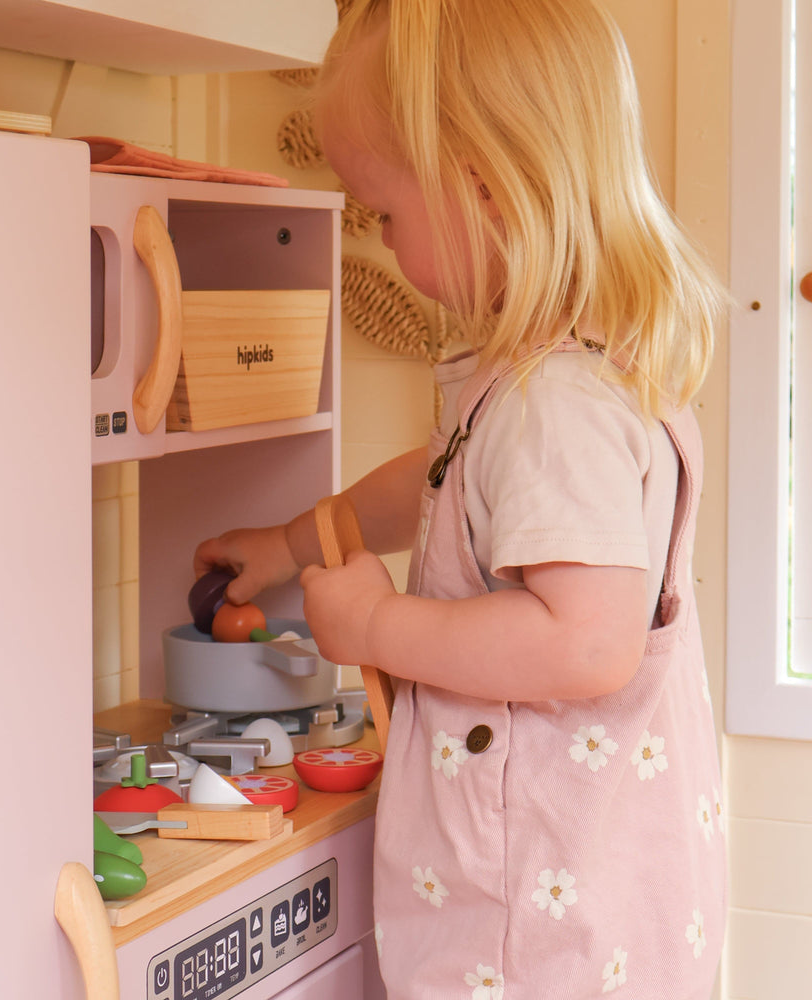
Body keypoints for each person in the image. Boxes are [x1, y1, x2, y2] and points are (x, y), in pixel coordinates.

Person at [195, 1, 727, 996]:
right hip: (584, 907)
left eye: (384, 213)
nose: (381, 236)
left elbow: (585, 642)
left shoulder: (555, 403)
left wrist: (377, 625)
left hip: (534, 931)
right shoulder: (556, 376)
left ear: (481, 184)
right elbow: (439, 480)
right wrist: (295, 541)